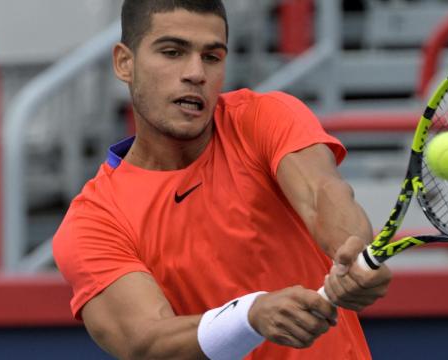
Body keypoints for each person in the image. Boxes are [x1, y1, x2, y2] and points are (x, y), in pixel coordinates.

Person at [52, 1, 392, 359]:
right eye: (172, 52)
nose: (196, 73)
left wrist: (352, 255)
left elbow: (323, 193)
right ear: (125, 62)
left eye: (212, 57)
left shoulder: (264, 117)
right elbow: (146, 342)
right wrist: (250, 316)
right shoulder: (93, 223)